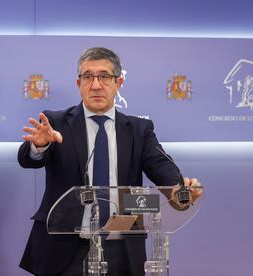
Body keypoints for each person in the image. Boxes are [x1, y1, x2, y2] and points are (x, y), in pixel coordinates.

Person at [18, 47, 201, 276]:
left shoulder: (138, 129)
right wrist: (40, 145)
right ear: (79, 83)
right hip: (63, 249)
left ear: (119, 82)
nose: (96, 85)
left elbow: (162, 168)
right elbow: (27, 159)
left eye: (104, 77)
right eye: (88, 77)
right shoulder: (56, 122)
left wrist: (180, 188)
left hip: (122, 251)